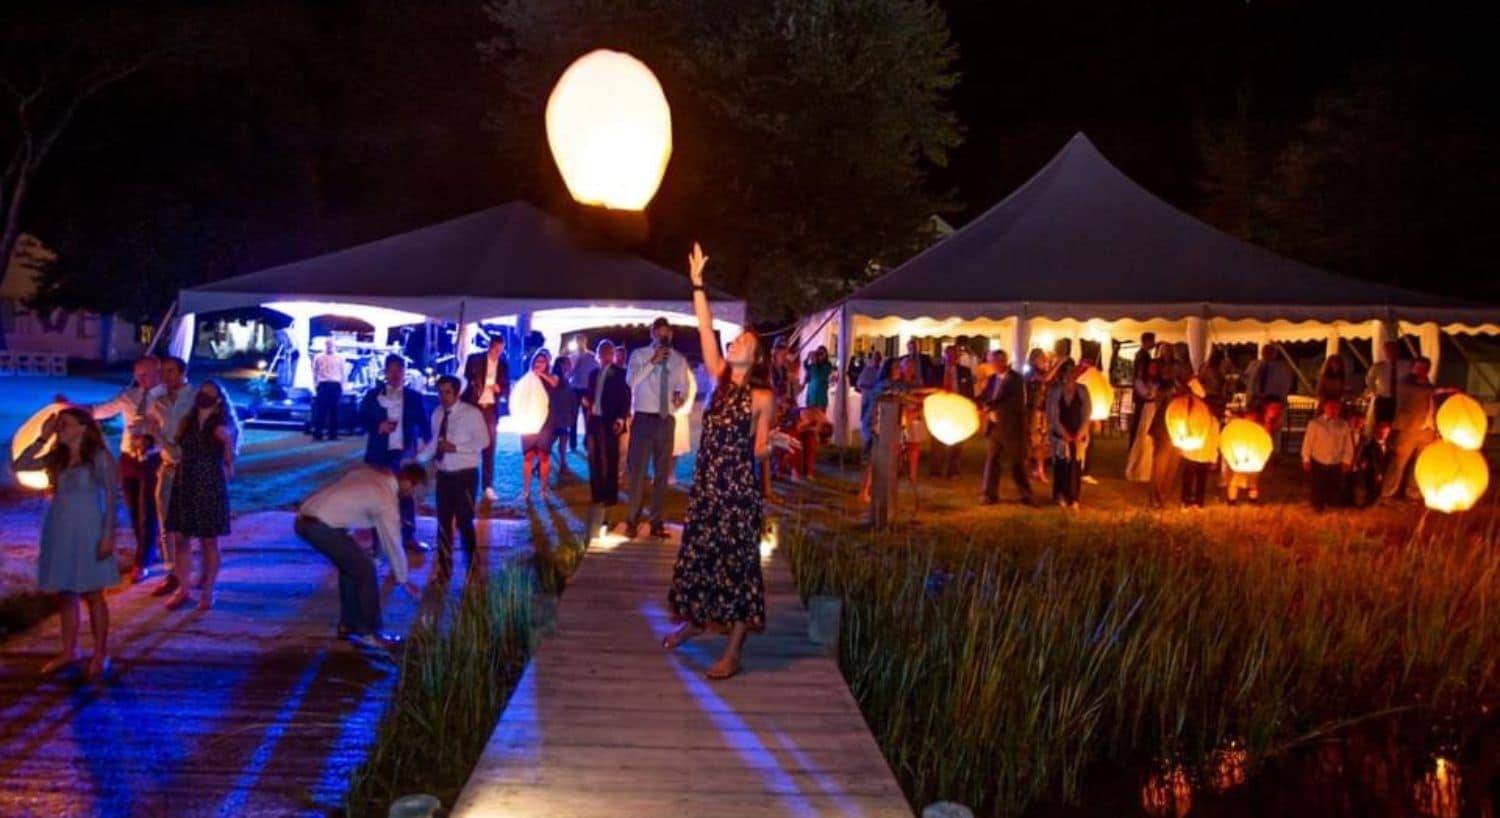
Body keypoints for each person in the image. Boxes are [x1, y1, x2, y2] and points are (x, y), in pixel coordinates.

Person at [662, 243, 793, 681]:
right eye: (736, 337)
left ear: (754, 357)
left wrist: (771, 440)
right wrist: (697, 282)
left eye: (744, 341)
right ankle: (696, 621)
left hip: (737, 495)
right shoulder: (718, 376)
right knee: (700, 557)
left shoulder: (762, 396)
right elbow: (703, 325)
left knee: (737, 568)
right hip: (707, 488)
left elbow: (757, 451)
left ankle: (733, 650)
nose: (735, 340)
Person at [13, 407, 118, 680]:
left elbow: (111, 498)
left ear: (83, 427)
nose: (60, 428)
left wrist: (108, 535)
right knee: (66, 592)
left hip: (89, 529)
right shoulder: (56, 458)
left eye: (65, 424)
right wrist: (42, 437)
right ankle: (70, 650)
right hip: (60, 528)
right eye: (58, 425)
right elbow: (19, 466)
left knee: (94, 593)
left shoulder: (99, 457)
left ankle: (100, 653)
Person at [296, 464, 426, 651]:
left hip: (305, 520)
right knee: (365, 570)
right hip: (321, 527)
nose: (412, 496)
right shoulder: (385, 498)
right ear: (406, 483)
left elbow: (380, 532)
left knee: (352, 568)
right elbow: (393, 541)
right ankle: (370, 633)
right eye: (414, 490)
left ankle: (348, 625)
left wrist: (378, 559)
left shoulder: (371, 477)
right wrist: (403, 579)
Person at [79, 356, 162, 583]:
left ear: (158, 372)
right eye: (138, 375)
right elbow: (101, 410)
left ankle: (142, 561)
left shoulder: (166, 398)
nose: (141, 379)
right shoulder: (129, 397)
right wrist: (72, 407)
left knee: (147, 510)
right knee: (134, 509)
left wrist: (152, 434)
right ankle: (149, 550)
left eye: (146, 374)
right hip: (128, 459)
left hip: (152, 459)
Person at [164, 379, 238, 611]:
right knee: (180, 538)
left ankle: (208, 591)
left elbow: (230, 465)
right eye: (202, 392)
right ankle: (183, 588)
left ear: (218, 399)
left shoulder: (223, 424)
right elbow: (176, 448)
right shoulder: (188, 422)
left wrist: (226, 442)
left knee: (208, 540)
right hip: (185, 480)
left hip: (208, 483)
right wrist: (156, 435)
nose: (203, 396)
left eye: (209, 393)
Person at [621, 318, 691, 539]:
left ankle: (657, 521)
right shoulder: (639, 355)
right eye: (660, 333)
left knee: (662, 474)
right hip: (643, 419)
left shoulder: (679, 360)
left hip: (665, 419)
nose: (664, 337)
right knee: (638, 472)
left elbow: (683, 385)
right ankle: (632, 520)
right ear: (652, 334)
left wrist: (680, 396)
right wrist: (652, 361)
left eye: (667, 334)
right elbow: (631, 381)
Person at [416, 375, 487, 572]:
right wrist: (418, 458)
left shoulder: (472, 414)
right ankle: (444, 567)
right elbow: (434, 444)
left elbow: (483, 442)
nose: (443, 396)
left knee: (464, 521)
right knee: (443, 522)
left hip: (465, 475)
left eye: (448, 392)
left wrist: (456, 448)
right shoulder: (438, 413)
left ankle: (472, 565)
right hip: (444, 475)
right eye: (440, 392)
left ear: (457, 392)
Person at [360, 355, 432, 550]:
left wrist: (429, 446)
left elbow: (426, 425)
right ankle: (377, 540)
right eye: (391, 369)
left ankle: (408, 537)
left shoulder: (414, 398)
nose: (395, 374)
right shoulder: (373, 396)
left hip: (404, 454)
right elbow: (359, 419)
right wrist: (378, 426)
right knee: (378, 497)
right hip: (379, 454)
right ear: (385, 372)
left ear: (404, 372)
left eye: (399, 370)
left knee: (406, 497)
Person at [148, 356, 196, 599]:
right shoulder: (158, 402)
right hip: (167, 467)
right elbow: (150, 431)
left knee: (186, 525)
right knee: (166, 522)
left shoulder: (194, 399)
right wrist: (147, 439)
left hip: (189, 468)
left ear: (181, 373)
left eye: (170, 371)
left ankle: (191, 573)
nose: (165, 377)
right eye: (162, 372)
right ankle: (172, 572)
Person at [583, 340, 631, 537]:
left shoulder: (620, 373)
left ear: (612, 354)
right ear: (598, 354)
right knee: (594, 457)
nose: (604, 356)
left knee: (610, 457)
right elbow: (589, 394)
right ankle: (597, 493)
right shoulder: (593, 374)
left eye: (607, 352)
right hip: (595, 419)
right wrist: (586, 401)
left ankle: (610, 495)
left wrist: (620, 418)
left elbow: (625, 397)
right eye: (601, 352)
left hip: (611, 420)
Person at [978, 350, 1033, 505]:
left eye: (995, 362)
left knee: (1017, 462)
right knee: (992, 460)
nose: (992, 365)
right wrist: (979, 402)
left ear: (1003, 361)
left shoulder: (1016, 380)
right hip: (994, 426)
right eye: (991, 362)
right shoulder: (992, 379)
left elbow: (1011, 401)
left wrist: (990, 405)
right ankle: (989, 494)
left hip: (1011, 427)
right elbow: (986, 396)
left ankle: (1026, 494)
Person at [1381, 356, 1436, 501]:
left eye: (1425, 368)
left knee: (1420, 463)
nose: (1423, 370)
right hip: (1408, 428)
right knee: (1399, 461)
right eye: (1420, 367)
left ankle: (1413, 492)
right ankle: (1387, 491)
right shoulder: (1406, 382)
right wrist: (1441, 390)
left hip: (1427, 429)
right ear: (1413, 367)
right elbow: (1423, 392)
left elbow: (1431, 401)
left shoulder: (1427, 384)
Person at [462, 335, 509, 502]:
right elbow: (468, 377)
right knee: (469, 446)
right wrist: (477, 383)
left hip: (490, 408)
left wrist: (500, 389)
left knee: (489, 446)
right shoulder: (474, 359)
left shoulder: (503, 364)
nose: (498, 353)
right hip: (474, 406)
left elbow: (506, 386)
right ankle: (467, 484)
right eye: (496, 349)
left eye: (501, 350)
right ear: (490, 346)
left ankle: (488, 486)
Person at [519, 349, 566, 501]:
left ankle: (543, 490)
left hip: (546, 422)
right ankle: (526, 491)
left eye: (542, 362)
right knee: (528, 456)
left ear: (547, 364)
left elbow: (554, 383)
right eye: (537, 361)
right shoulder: (528, 378)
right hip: (529, 421)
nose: (539, 364)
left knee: (544, 456)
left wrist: (541, 375)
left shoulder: (552, 377)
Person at [1046, 360, 1091, 509]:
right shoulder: (1055, 390)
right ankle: (1061, 494)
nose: (1071, 375)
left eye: (1074, 372)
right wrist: (1062, 432)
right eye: (1068, 372)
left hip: (1078, 432)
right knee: (1061, 464)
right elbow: (1052, 414)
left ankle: (1074, 497)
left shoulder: (1083, 390)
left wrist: (1081, 432)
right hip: (1061, 432)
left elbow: (1086, 413)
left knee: (1075, 466)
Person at [929, 345, 975, 478]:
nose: (951, 358)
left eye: (954, 355)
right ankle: (936, 470)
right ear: (944, 356)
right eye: (948, 355)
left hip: (958, 409)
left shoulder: (965, 372)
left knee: (957, 442)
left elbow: (969, 392)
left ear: (957, 357)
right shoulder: (937, 371)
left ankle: (953, 470)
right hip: (940, 409)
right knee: (937, 441)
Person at [1303, 397, 1354, 511]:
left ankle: (1332, 504)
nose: (1333, 410)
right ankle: (1318, 505)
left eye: (1336, 407)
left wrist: (1347, 460)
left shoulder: (1343, 425)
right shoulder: (1315, 423)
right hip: (1318, 459)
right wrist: (1306, 458)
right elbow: (1308, 442)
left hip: (1335, 461)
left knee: (1333, 485)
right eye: (1330, 407)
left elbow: (1348, 444)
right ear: (1324, 407)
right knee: (1318, 485)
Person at [1244, 344, 1295, 444]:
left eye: (1270, 352)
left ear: (1274, 354)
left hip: (1273, 402)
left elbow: (1285, 385)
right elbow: (1247, 380)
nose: (1267, 354)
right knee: (1254, 426)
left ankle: (1272, 450)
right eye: (1265, 351)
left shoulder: (1281, 368)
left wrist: (1279, 401)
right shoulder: (1254, 365)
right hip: (1255, 401)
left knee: (1272, 430)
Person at [797, 346, 835, 479]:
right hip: (811, 397)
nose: (819, 355)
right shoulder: (813, 366)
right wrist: (808, 358)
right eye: (818, 353)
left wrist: (814, 362)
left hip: (820, 399)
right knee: (809, 427)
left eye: (822, 353)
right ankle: (809, 459)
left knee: (818, 427)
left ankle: (815, 452)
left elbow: (819, 374)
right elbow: (806, 367)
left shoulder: (827, 366)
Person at [568, 333, 599, 451]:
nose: (580, 343)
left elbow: (596, 372)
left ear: (585, 341)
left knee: (588, 417)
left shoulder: (592, 356)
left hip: (587, 390)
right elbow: (568, 374)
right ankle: (573, 444)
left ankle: (587, 441)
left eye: (581, 340)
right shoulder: (572, 357)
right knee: (573, 417)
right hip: (574, 389)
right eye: (577, 341)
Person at [1025, 348, 1050, 483]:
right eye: (1042, 359)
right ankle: (1027, 468)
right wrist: (1058, 364)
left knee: (1042, 443)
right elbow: (1045, 379)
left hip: (1043, 412)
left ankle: (1039, 470)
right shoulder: (1030, 373)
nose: (1045, 362)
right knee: (1032, 442)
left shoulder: (1043, 373)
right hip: (1033, 413)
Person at [311, 338, 345, 441]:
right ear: (325, 345)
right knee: (321, 411)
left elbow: (342, 373)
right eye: (327, 344)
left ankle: (333, 434)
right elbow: (315, 372)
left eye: (331, 345)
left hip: (335, 384)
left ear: (334, 346)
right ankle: (318, 433)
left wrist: (342, 386)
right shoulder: (318, 357)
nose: (329, 346)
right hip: (323, 384)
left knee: (334, 411)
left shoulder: (340, 358)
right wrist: (315, 385)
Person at [1128, 333, 1158, 447]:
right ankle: (1135, 444)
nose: (1154, 343)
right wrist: (1146, 392)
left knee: (1139, 420)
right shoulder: (1143, 357)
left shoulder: (1140, 355)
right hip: (1143, 394)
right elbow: (1140, 377)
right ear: (1147, 341)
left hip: (1140, 393)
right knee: (1139, 420)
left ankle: (1135, 443)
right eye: (1152, 341)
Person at [550, 355, 580, 472]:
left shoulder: (566, 379)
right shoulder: (556, 379)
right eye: (568, 363)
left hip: (564, 414)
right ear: (562, 365)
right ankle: (560, 464)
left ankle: (563, 464)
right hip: (558, 415)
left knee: (562, 439)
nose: (570, 365)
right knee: (555, 439)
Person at [1365, 340, 1402, 429]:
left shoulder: (1405, 366)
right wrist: (1375, 392)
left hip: (1399, 399)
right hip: (1383, 399)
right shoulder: (1379, 366)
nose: (1391, 352)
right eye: (1388, 350)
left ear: (1398, 351)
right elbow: (1369, 379)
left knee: (1397, 424)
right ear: (1385, 352)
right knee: (1381, 425)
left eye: (1393, 350)